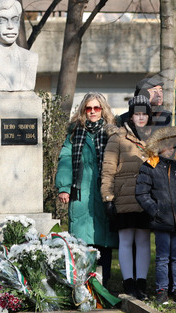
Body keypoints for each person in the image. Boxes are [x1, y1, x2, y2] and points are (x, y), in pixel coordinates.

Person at [56, 92, 118, 283]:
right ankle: (82, 284)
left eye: (96, 108)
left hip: (104, 191)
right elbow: (66, 158)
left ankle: (103, 284)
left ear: (103, 110)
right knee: (82, 241)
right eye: (88, 108)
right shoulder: (75, 133)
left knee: (104, 240)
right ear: (83, 110)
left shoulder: (111, 132)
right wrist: (64, 186)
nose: (92, 112)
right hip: (80, 193)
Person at [135, 126, 176, 307]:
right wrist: (156, 211)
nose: (171, 150)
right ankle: (161, 291)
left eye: (173, 146)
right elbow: (142, 193)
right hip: (161, 221)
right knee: (162, 257)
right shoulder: (150, 167)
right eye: (167, 146)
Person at [101, 95, 153, 300]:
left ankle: (141, 282)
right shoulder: (117, 138)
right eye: (137, 114)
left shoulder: (153, 139)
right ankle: (128, 281)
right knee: (126, 239)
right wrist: (107, 196)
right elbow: (108, 170)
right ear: (130, 116)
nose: (141, 118)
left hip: (146, 197)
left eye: (144, 114)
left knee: (143, 239)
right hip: (124, 195)